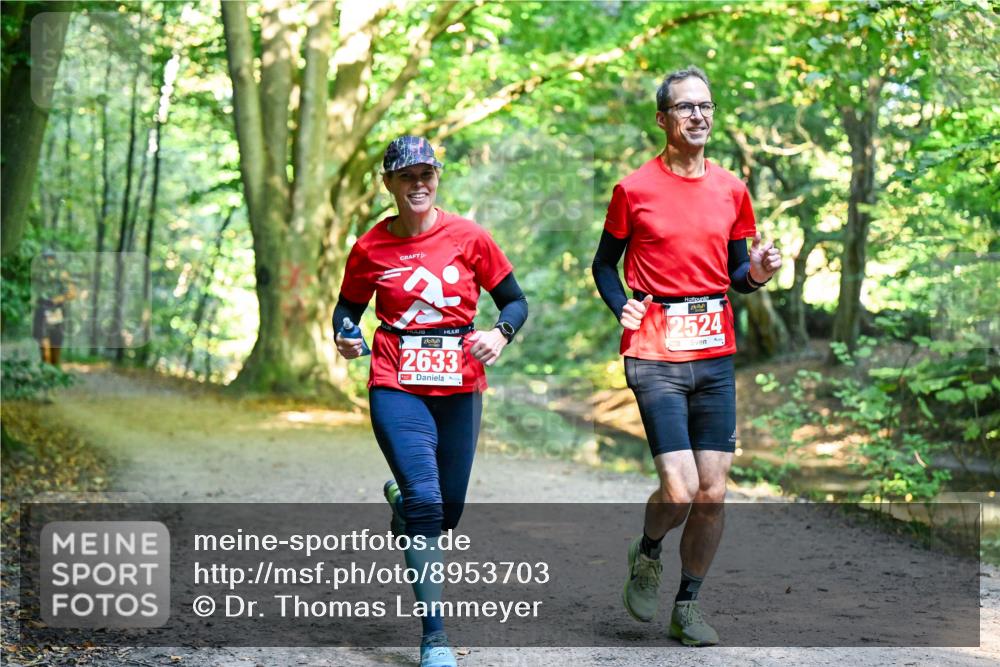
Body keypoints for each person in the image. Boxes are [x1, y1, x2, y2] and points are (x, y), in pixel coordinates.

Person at [591, 66, 782, 646]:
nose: (698, 116)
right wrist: (620, 304)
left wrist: (758, 273)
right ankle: (648, 552)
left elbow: (736, 276)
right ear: (663, 120)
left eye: (706, 106)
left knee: (714, 490)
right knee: (678, 488)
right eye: (684, 108)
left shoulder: (731, 189)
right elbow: (604, 264)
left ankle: (688, 604)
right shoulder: (634, 189)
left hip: (714, 350)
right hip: (653, 349)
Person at [333, 135, 528, 667]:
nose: (418, 184)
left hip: (460, 382)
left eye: (427, 175)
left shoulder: (469, 236)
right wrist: (346, 335)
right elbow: (346, 310)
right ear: (389, 183)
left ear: (436, 178)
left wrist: (501, 333)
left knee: (449, 510)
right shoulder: (371, 247)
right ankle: (435, 637)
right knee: (427, 501)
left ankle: (405, 500)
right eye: (407, 176)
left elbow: (514, 300)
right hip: (395, 381)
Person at [32, 249, 77, 367]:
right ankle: (45, 369)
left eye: (50, 258)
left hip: (57, 310)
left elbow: (72, 293)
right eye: (45, 258)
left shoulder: (62, 274)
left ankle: (54, 369)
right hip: (42, 308)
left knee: (55, 343)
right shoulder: (39, 274)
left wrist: (57, 299)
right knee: (43, 341)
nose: (47, 261)